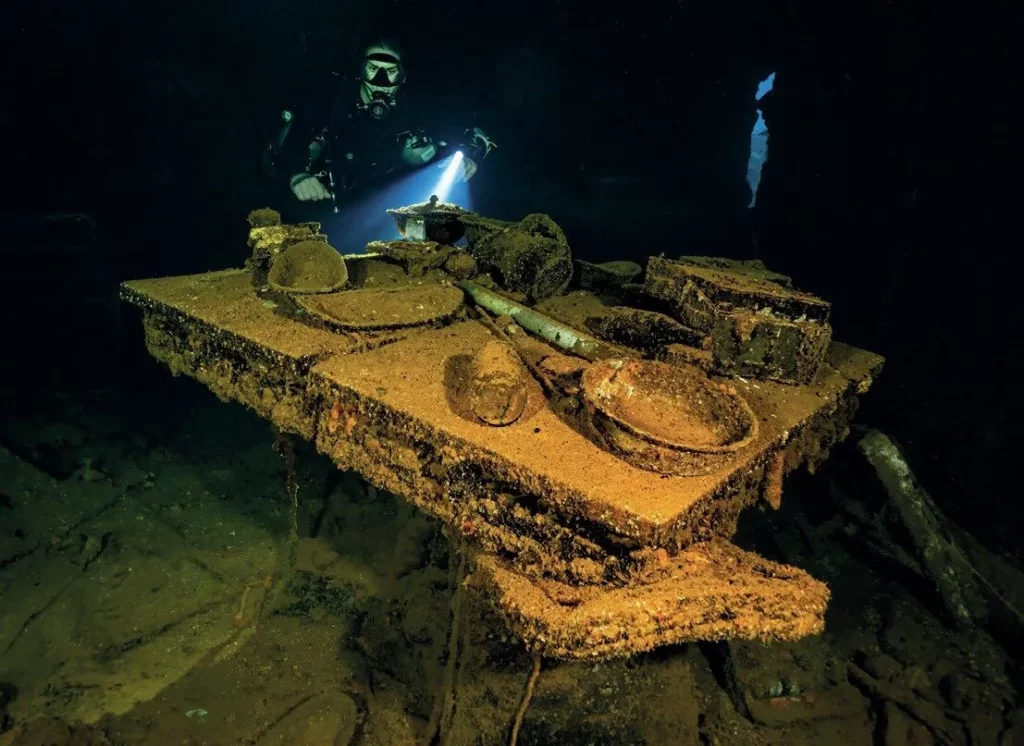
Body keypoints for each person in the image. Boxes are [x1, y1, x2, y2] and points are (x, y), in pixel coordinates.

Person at [262, 40, 496, 214]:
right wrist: (298, 174)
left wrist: (469, 157)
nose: (381, 81)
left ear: (402, 77)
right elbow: (284, 147)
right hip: (328, 204)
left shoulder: (415, 108)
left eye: (391, 72)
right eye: (373, 69)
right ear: (360, 71)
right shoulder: (333, 103)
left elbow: (472, 135)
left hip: (393, 209)